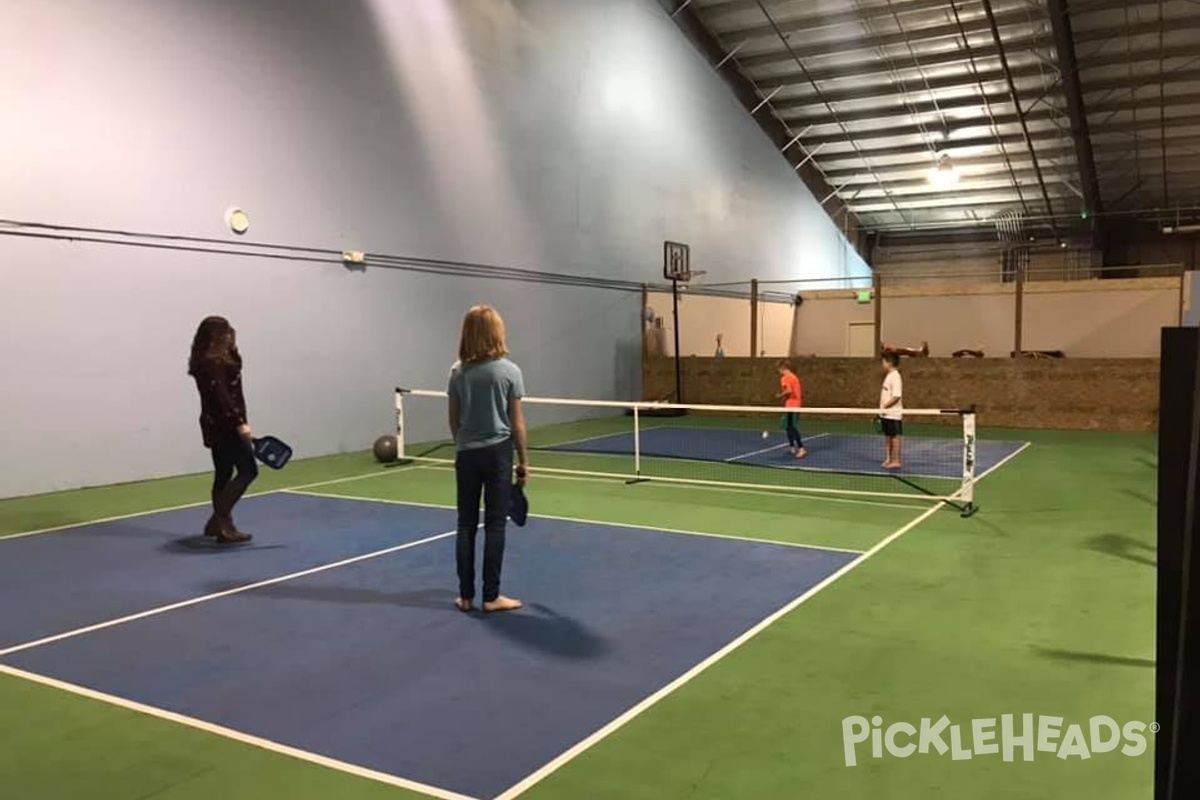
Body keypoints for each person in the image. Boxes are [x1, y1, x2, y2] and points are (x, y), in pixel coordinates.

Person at [447, 305, 528, 613]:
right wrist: (523, 461)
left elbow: (453, 420)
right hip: (498, 455)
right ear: (497, 332)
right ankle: (491, 597)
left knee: (465, 524)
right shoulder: (509, 372)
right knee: (495, 525)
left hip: (466, 455)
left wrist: (463, 445)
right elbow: (517, 422)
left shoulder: (457, 372)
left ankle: (465, 597)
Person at [188, 316, 256, 544]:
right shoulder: (212, 363)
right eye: (226, 333)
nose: (229, 336)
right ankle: (220, 520)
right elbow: (222, 397)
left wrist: (234, 347)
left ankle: (222, 525)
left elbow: (235, 369)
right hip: (225, 425)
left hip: (214, 424)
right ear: (217, 336)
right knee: (248, 471)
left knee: (224, 473)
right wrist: (239, 423)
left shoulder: (213, 360)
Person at [776, 360, 806, 458]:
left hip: (793, 406)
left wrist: (780, 395)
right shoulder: (794, 377)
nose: (779, 371)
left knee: (792, 427)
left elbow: (789, 390)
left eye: (779, 369)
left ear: (781, 368)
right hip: (793, 405)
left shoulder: (785, 378)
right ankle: (792, 447)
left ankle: (801, 448)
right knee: (788, 426)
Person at [880, 352, 904, 469]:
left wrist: (884, 407)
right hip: (886, 414)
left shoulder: (895, 377)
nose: (882, 363)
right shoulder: (889, 375)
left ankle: (897, 460)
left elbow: (896, 396)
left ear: (889, 363)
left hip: (893, 414)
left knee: (895, 437)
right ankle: (889, 459)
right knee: (888, 437)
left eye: (883, 361)